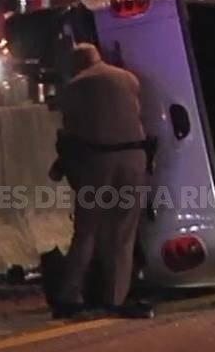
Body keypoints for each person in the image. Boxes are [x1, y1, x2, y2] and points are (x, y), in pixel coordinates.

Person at [49, 43, 153, 319]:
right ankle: (115, 298)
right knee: (123, 232)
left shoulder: (76, 86)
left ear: (77, 63)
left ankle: (70, 296)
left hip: (98, 162)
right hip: (134, 158)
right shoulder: (128, 78)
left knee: (87, 230)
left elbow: (72, 131)